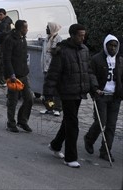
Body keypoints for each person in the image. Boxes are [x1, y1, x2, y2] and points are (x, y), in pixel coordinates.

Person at [43, 24, 99, 168]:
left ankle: (55, 145)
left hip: (79, 91)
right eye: (80, 35)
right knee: (73, 124)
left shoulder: (85, 50)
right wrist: (48, 95)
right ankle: (70, 157)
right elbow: (53, 75)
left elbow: (89, 71)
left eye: (84, 35)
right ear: (72, 35)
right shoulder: (62, 51)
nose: (83, 38)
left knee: (68, 121)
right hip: (66, 92)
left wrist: (93, 86)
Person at [83, 35, 122, 162]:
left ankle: (105, 151)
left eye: (115, 46)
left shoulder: (120, 61)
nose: (112, 48)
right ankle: (89, 138)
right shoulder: (96, 59)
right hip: (101, 95)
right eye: (110, 45)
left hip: (115, 97)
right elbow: (91, 74)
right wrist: (95, 88)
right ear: (105, 45)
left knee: (111, 125)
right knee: (101, 122)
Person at [2, 20, 34, 133]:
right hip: (14, 76)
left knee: (29, 99)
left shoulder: (22, 39)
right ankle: (11, 123)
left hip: (23, 74)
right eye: (26, 28)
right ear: (21, 28)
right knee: (13, 101)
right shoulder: (10, 40)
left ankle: (22, 120)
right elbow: (6, 58)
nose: (27, 30)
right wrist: (11, 74)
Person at [40, 22, 63, 115]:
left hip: (54, 69)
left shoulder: (58, 39)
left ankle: (57, 108)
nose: (46, 29)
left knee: (56, 90)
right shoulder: (47, 39)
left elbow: (57, 52)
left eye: (48, 28)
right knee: (48, 91)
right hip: (46, 69)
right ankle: (49, 107)